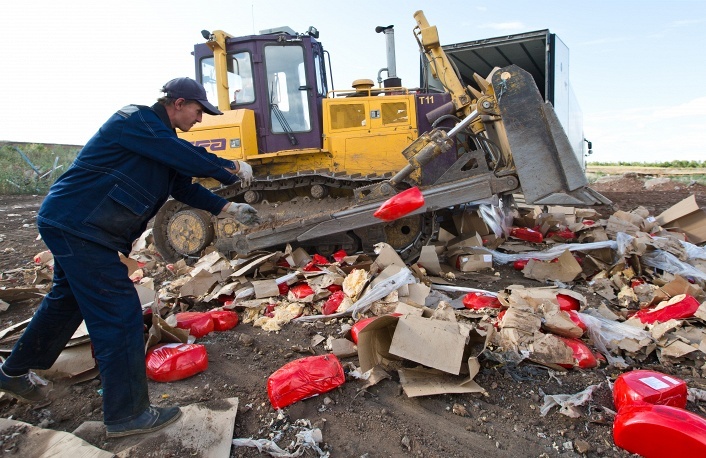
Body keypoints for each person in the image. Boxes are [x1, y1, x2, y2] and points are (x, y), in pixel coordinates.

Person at [0, 77, 260, 438]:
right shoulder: (135, 121)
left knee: (67, 301)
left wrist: (228, 207)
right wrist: (230, 167)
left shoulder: (162, 142)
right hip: (80, 225)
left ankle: (12, 372)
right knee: (119, 314)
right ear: (179, 103)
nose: (201, 119)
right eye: (199, 111)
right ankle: (126, 415)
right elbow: (186, 157)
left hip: (81, 226)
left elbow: (182, 185)